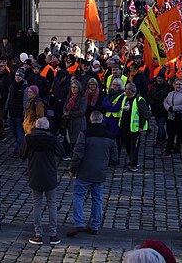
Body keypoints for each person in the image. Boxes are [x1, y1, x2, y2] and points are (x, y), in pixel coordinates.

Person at [67, 110, 117, 237]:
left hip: (84, 171)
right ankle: (95, 225)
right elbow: (114, 158)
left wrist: (72, 169)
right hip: (100, 172)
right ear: (102, 120)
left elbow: (78, 153)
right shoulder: (110, 136)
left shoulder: (84, 134)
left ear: (90, 119)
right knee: (97, 199)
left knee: (78, 196)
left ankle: (79, 223)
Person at [20, 117, 64, 246]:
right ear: (47, 127)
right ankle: (53, 234)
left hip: (35, 175)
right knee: (52, 204)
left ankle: (38, 234)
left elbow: (22, 155)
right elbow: (61, 153)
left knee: (37, 205)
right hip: (50, 175)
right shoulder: (53, 139)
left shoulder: (29, 139)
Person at [119, 83, 149, 172]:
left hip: (135, 128)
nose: (125, 90)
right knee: (127, 145)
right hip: (125, 127)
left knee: (134, 147)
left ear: (131, 90)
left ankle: (133, 164)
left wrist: (141, 126)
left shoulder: (139, 100)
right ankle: (133, 161)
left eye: (127, 89)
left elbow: (144, 114)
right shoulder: (125, 98)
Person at [162, 78, 182, 159]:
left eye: (180, 84)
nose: (178, 86)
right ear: (173, 85)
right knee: (170, 135)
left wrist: (174, 108)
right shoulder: (171, 94)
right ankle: (168, 150)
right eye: (176, 84)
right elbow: (165, 101)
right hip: (171, 117)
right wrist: (168, 108)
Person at [6, 68, 28, 152]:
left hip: (19, 113)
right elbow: (9, 97)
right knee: (13, 130)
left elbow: (25, 101)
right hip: (12, 112)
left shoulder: (25, 87)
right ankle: (20, 144)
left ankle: (19, 148)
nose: (17, 77)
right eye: (16, 75)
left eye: (19, 76)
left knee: (20, 131)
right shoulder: (12, 86)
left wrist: (24, 113)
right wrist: (6, 108)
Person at [62, 81, 87, 156]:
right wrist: (65, 112)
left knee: (77, 140)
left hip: (78, 122)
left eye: (75, 87)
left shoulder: (83, 98)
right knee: (68, 138)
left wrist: (69, 113)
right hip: (69, 122)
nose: (73, 89)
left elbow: (81, 112)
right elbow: (64, 107)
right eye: (72, 87)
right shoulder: (69, 97)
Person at [147, 73, 170, 148]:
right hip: (155, 109)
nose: (159, 80)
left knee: (161, 125)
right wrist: (151, 102)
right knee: (159, 125)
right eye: (158, 78)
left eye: (161, 78)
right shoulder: (154, 86)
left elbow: (167, 97)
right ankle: (163, 139)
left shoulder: (167, 87)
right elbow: (149, 95)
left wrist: (161, 103)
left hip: (163, 110)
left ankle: (159, 141)